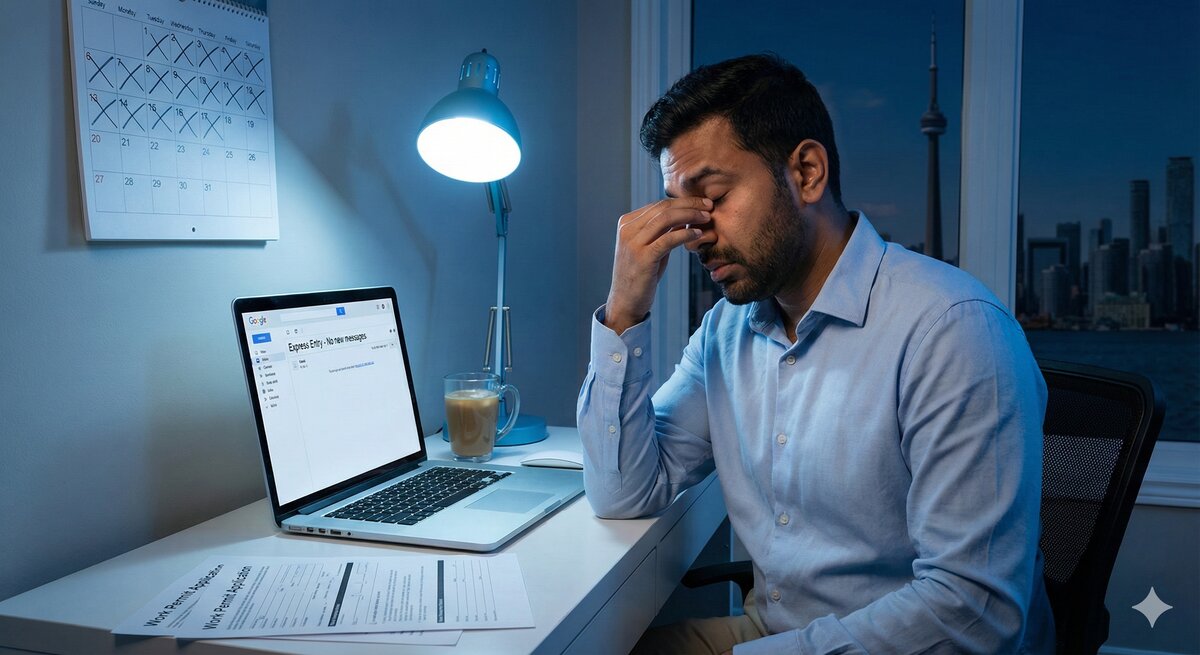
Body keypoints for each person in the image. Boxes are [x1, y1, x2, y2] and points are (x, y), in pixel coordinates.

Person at [576, 54, 1055, 654]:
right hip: (775, 633)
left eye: (713, 197)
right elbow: (624, 492)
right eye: (679, 207)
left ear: (806, 172)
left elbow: (974, 616)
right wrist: (624, 309)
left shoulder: (952, 330)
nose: (694, 233)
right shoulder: (726, 332)